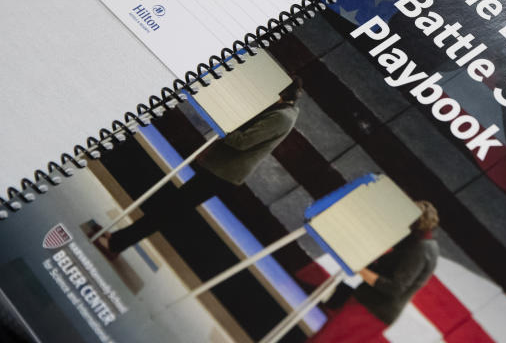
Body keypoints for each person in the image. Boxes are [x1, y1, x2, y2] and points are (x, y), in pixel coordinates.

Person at [95, 77, 302, 256]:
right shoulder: (283, 110)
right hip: (220, 169)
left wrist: (224, 121)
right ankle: (118, 239)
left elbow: (242, 142)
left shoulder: (281, 117)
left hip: (222, 174)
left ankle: (116, 244)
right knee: (168, 207)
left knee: (168, 210)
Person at [310, 200, 440, 342]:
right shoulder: (422, 245)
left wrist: (359, 267)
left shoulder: (420, 249)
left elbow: (395, 288)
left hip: (373, 308)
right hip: (371, 306)